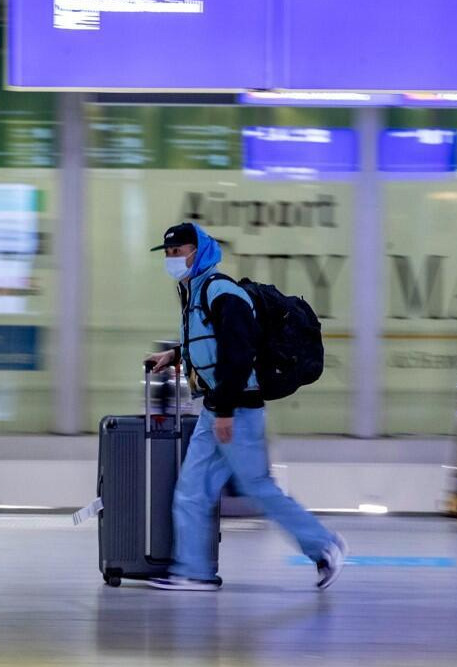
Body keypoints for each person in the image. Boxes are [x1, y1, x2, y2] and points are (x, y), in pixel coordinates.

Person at [145, 222, 347, 592]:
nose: (173, 259)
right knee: (192, 489)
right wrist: (174, 355)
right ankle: (193, 571)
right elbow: (211, 343)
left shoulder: (221, 291)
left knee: (258, 487)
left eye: (179, 251)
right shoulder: (194, 294)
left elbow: (239, 353)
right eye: (169, 253)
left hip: (235, 409)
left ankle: (325, 545)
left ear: (199, 251)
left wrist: (224, 411)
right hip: (217, 407)